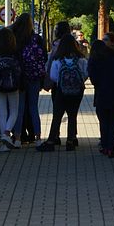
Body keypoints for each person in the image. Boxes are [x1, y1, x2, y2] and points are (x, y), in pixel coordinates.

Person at [42, 33, 88, 151]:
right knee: (72, 115)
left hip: (61, 91)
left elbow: (53, 76)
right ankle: (71, 140)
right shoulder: (81, 59)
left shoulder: (58, 60)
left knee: (57, 115)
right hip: (77, 91)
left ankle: (51, 141)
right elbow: (86, 73)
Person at [10, 13, 46, 147]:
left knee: (19, 109)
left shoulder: (15, 38)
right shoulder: (36, 39)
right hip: (34, 77)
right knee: (33, 107)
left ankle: (18, 138)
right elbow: (44, 58)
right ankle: (37, 138)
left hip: (20, 78)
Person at [0, 27, 22, 151]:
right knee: (14, 111)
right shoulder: (15, 51)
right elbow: (21, 69)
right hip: (14, 85)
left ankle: (3, 140)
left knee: (2, 111)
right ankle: (6, 134)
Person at [40, 20, 71, 150]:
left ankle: (54, 138)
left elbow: (51, 63)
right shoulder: (73, 44)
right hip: (73, 85)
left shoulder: (57, 45)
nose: (55, 31)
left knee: (57, 112)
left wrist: (48, 81)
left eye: (56, 29)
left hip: (59, 84)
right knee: (72, 113)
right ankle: (71, 139)